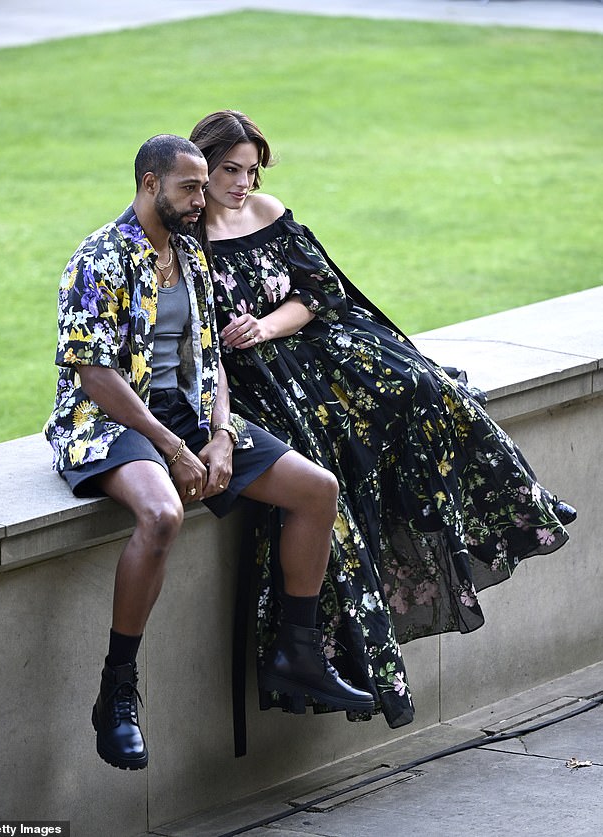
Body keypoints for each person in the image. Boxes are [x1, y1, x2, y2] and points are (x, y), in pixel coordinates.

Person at [188, 110, 577, 734]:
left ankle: (513, 515)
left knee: (424, 387)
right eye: (229, 170)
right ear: (199, 166)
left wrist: (265, 324)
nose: (241, 183)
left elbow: (319, 293)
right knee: (330, 451)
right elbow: (194, 337)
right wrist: (244, 351)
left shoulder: (266, 211)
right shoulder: (183, 240)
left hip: (309, 345)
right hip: (252, 380)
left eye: (251, 170)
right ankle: (317, 643)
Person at [44, 134, 377, 771]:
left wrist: (221, 434)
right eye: (189, 188)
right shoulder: (99, 258)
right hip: (110, 420)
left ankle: (297, 653)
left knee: (317, 490)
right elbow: (93, 373)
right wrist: (172, 447)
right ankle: (118, 691)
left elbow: (212, 356)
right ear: (149, 185)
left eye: (203, 187)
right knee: (163, 516)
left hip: (190, 417)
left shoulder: (190, 256)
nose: (202, 200)